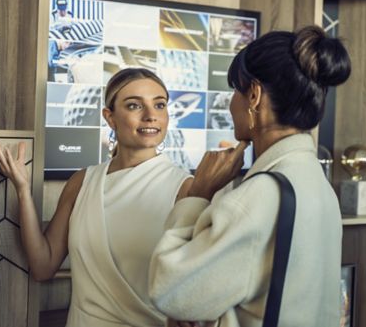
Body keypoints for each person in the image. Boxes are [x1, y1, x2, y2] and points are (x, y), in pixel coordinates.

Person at [148, 25, 351, 327]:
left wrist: (198, 194)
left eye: (234, 91)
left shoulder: (257, 196)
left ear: (254, 95)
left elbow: (167, 290)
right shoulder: (315, 182)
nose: (231, 104)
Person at [0, 68, 193, 327]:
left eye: (159, 105)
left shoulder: (185, 189)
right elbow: (43, 265)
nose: (151, 116)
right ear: (110, 117)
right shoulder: (82, 182)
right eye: (135, 105)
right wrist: (23, 189)